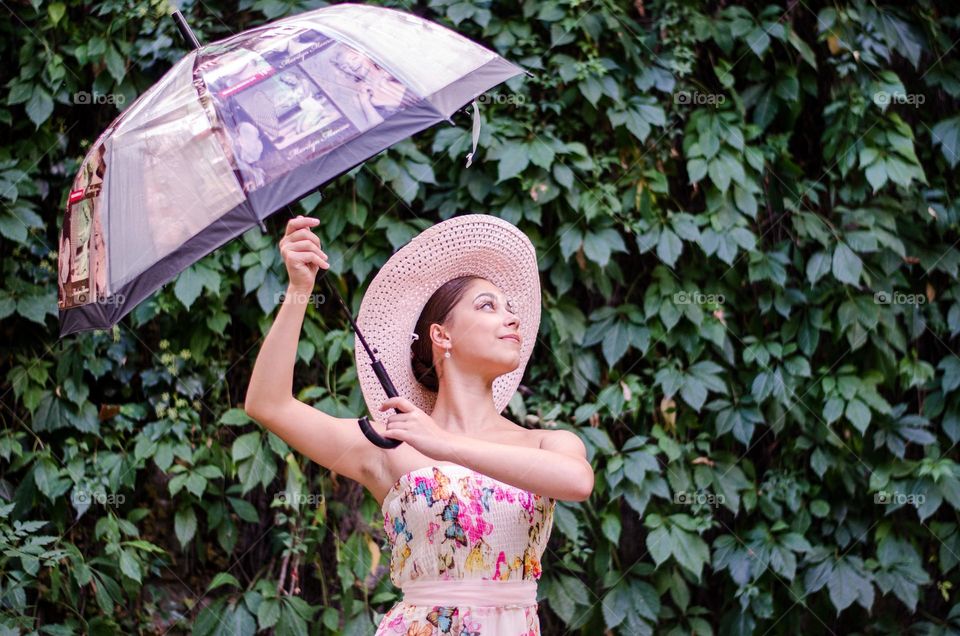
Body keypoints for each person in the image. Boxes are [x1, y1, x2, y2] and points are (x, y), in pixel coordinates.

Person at [244, 213, 594, 634]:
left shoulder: (548, 442)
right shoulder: (389, 444)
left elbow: (577, 482)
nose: (512, 318)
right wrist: (300, 291)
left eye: (511, 309)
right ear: (441, 336)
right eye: (488, 305)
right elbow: (269, 404)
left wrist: (444, 445)